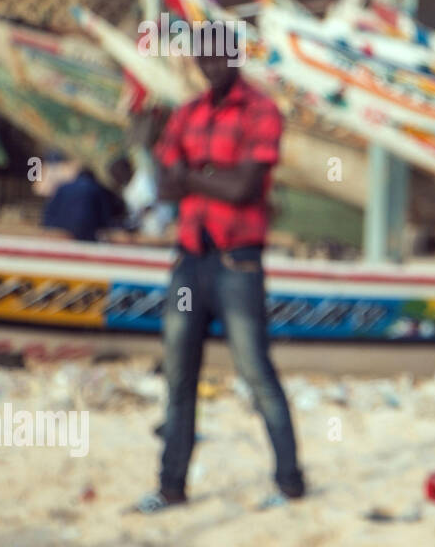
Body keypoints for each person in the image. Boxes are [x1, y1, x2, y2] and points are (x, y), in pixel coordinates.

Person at [136, 52, 305, 512]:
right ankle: (171, 487)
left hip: (237, 261)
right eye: (202, 59)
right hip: (190, 258)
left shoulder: (262, 111)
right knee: (179, 375)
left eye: (217, 57)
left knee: (256, 373)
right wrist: (208, 176)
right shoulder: (188, 113)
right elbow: (166, 185)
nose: (210, 66)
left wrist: (191, 175)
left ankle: (290, 481)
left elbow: (245, 189)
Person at [40, 157, 127, 242]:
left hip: (62, 233)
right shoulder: (97, 188)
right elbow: (105, 214)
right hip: (87, 234)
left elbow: (49, 213)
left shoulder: (64, 187)